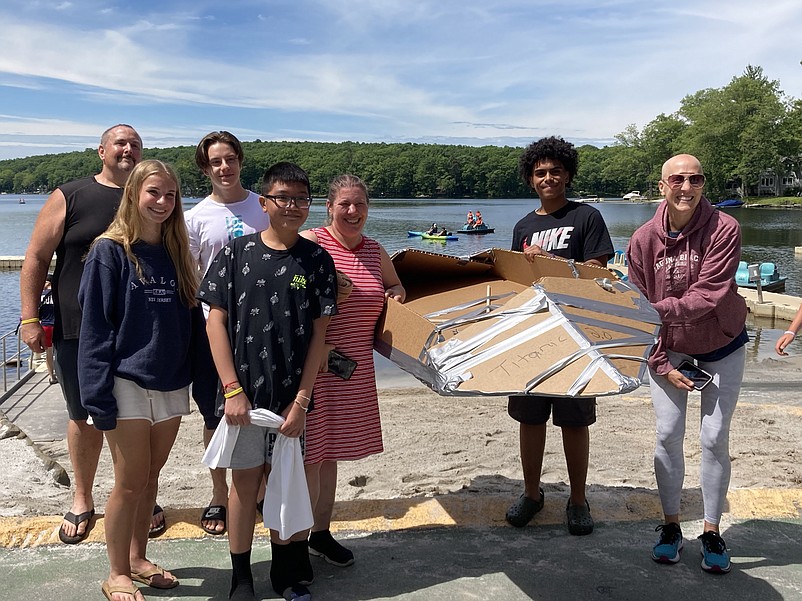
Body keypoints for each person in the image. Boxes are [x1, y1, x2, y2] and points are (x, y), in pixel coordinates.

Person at [18, 124, 167, 542]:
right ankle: (82, 498)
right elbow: (36, 256)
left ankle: (138, 495)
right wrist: (30, 318)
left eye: (135, 144)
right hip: (77, 327)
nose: (128, 149)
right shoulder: (71, 196)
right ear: (101, 151)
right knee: (81, 414)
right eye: (120, 143)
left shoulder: (152, 198)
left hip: (137, 331)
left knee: (137, 417)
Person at [199, 162, 337, 601]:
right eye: (283, 198)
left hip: (291, 399)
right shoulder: (237, 254)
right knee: (242, 485)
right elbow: (214, 323)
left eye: (300, 199)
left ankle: (286, 565)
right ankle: (241, 575)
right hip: (244, 396)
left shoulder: (315, 260)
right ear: (265, 202)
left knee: (287, 479)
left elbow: (320, 335)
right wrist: (231, 390)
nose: (292, 206)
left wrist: (301, 401)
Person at [78, 160, 213, 601]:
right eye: (154, 192)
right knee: (130, 480)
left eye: (171, 195)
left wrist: (204, 381)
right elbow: (95, 327)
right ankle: (115, 572)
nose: (162, 202)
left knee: (152, 476)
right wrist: (95, 394)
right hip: (125, 380)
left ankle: (137, 557)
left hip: (171, 380)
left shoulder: (177, 252)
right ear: (134, 193)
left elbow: (191, 322)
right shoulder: (109, 251)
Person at [627, 153, 748, 574]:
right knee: (667, 434)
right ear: (661, 186)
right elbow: (638, 312)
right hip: (671, 347)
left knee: (714, 438)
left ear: (702, 184)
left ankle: (712, 531)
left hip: (722, 343)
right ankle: (671, 526)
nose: (686, 187)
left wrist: (652, 313)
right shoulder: (642, 240)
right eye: (677, 179)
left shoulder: (724, 228)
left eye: (694, 179)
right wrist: (661, 362)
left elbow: (709, 295)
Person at [505, 136, 613, 535]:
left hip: (578, 336)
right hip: (534, 333)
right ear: (530, 180)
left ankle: (579, 499)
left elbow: (599, 275)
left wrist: (555, 264)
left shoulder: (587, 217)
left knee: (574, 421)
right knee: (529, 419)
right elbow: (516, 280)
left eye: (555, 171)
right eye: (540, 173)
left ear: (567, 174)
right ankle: (532, 494)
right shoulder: (523, 226)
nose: (548, 177)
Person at [300, 175, 405, 567]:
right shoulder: (312, 242)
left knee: (330, 456)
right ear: (329, 207)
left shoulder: (375, 251)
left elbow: (394, 288)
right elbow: (292, 286)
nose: (352, 211)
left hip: (353, 370)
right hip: (314, 366)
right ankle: (294, 540)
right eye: (344, 204)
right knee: (307, 458)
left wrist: (395, 295)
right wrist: (323, 286)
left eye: (359, 204)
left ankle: (320, 533)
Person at [184, 131, 270, 536]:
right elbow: (190, 278)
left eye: (230, 158)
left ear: (240, 161)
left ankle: (262, 490)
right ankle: (219, 493)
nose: (224, 167)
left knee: (265, 409)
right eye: (215, 161)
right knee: (215, 414)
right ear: (205, 168)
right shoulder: (196, 217)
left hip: (265, 326)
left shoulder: (264, 206)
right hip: (214, 329)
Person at [40, 274, 57, 384]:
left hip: (45, 326)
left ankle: (51, 376)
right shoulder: (58, 294)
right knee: (60, 351)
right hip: (58, 325)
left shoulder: (40, 296)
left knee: (48, 353)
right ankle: (62, 373)